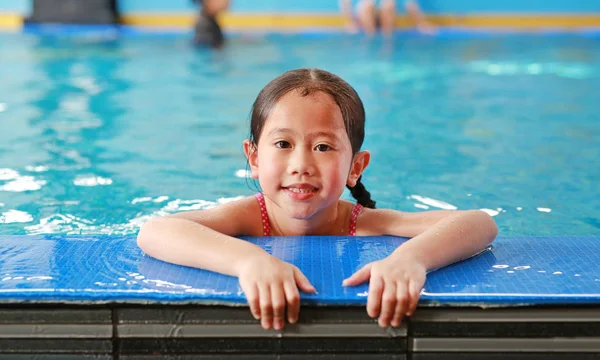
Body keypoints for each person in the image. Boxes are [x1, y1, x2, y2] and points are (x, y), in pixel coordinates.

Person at [137, 68, 498, 331]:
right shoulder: (249, 216)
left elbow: (480, 222)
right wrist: (248, 261)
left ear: (355, 167)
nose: (301, 165)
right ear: (255, 158)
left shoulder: (360, 222)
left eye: (323, 147)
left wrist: (411, 259)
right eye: (283, 144)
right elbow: (156, 230)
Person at [340, 0, 437, 36]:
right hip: (364, 19)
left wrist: (420, 23)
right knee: (367, 4)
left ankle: (387, 41)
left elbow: (409, 3)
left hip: (386, 18)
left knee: (389, 4)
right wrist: (351, 22)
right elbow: (345, 2)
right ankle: (370, 37)